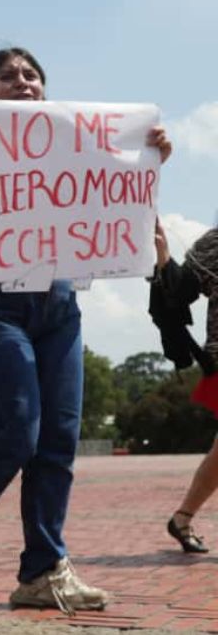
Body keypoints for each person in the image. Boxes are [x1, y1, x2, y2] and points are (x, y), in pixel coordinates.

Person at [0, 47, 173, 612]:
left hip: (57, 307)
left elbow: (114, 206)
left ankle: (42, 570)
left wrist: (148, 166)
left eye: (32, 75)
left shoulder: (73, 147)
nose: (22, 82)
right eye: (7, 75)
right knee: (18, 429)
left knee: (57, 439)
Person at [155, 223, 218, 553]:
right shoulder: (216, 243)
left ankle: (181, 519)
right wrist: (164, 257)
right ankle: (181, 519)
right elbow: (181, 291)